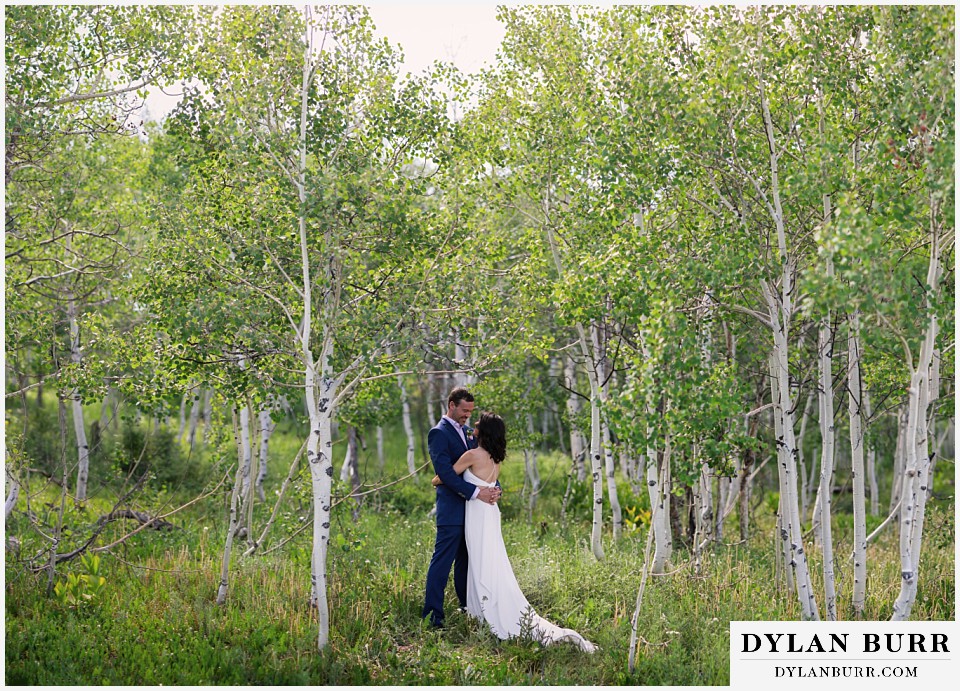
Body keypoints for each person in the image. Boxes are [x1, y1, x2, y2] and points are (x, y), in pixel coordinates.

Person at [435, 411, 597, 653]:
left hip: (478, 514)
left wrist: (442, 471)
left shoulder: (471, 455)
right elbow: (488, 484)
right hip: (490, 513)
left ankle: (483, 612)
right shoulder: (495, 458)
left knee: (478, 562)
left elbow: (439, 479)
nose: (474, 424)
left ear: (484, 431)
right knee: (491, 560)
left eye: (478, 423)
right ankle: (485, 607)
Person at [422, 387, 502, 629]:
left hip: (474, 513)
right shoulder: (438, 433)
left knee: (467, 564)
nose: (467, 415)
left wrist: (495, 487)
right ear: (451, 405)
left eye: (470, 411)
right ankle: (433, 617)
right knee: (442, 563)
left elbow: (485, 462)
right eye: (464, 410)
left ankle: (468, 609)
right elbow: (444, 473)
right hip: (452, 511)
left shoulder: (470, 433)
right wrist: (477, 493)